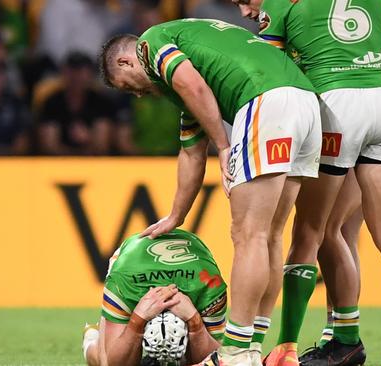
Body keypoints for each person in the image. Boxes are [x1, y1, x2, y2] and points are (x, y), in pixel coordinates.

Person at [99, 18, 321, 365]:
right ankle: (257, 347)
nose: (139, 95)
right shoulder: (188, 85)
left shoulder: (150, 42)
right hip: (306, 104)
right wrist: (177, 215)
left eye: (129, 88)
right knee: (271, 235)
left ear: (126, 61)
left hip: (264, 100)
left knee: (248, 235)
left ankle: (234, 352)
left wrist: (223, 144)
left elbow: (194, 87)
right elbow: (190, 153)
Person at [234, 0, 381, 365]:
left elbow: (268, 70)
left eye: (243, 1)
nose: (246, 11)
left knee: (313, 232)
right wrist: (368, 46)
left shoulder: (280, 3)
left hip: (336, 104)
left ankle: (285, 347)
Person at [81, 229, 227, 366]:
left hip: (195, 270)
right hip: (130, 267)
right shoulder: (122, 284)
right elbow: (116, 363)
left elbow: (220, 359)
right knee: (105, 360)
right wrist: (136, 322)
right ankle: (92, 340)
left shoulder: (210, 286)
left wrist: (195, 324)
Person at [38, 52, 115, 155]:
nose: (76, 77)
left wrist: (88, 139)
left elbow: (102, 146)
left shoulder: (101, 102)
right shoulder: (52, 102)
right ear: (63, 73)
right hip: (58, 165)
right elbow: (49, 146)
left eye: (81, 72)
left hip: (95, 164)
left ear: (91, 75)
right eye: (72, 71)